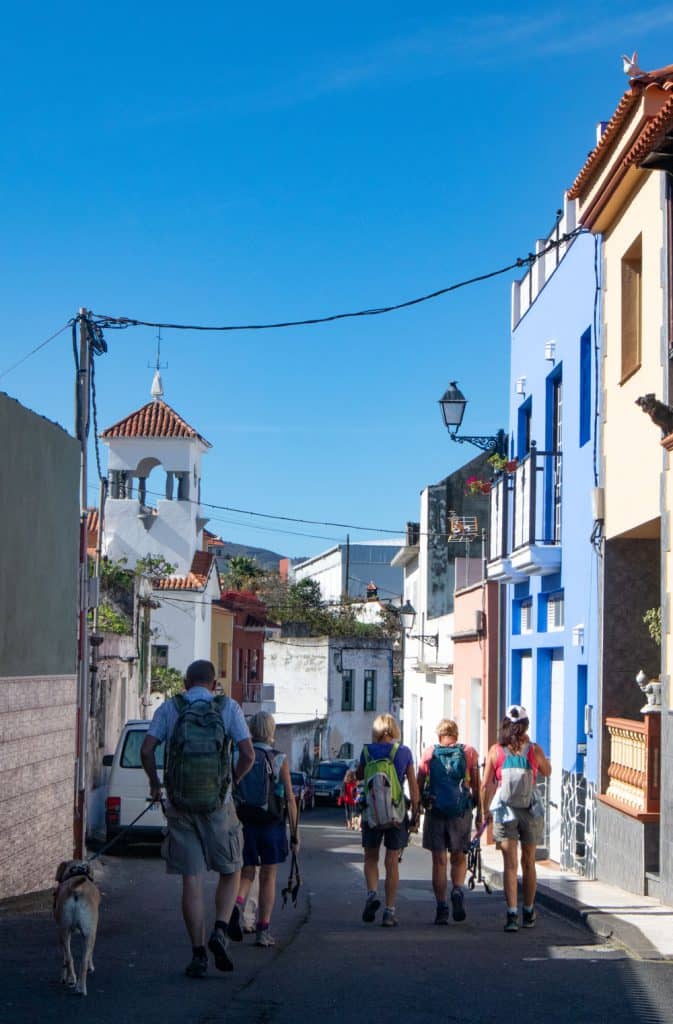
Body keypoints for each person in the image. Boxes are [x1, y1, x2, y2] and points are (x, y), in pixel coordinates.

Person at [140, 659, 255, 978]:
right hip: (218, 805)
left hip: (180, 804)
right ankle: (220, 929)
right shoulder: (227, 707)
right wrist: (232, 779)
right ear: (214, 683)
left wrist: (155, 784)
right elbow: (249, 754)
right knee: (231, 869)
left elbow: (147, 750)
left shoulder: (170, 708)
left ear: (186, 683)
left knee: (191, 879)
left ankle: (198, 953)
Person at [230, 711, 299, 948]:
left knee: (247, 872)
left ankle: (237, 905)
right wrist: (295, 834)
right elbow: (290, 798)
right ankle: (263, 931)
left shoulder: (239, 755)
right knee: (268, 876)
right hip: (271, 824)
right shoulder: (279, 758)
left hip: (244, 822)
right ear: (271, 731)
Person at [481, 704, 551, 932]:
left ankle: (512, 915)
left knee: (509, 865)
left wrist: (484, 813)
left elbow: (485, 785)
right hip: (530, 809)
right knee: (529, 863)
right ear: (526, 726)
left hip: (505, 811)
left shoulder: (495, 751)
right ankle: (528, 911)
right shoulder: (534, 749)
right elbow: (548, 771)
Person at [357, 713, 419, 928]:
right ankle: (389, 911)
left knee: (370, 857)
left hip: (372, 813)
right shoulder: (403, 752)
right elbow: (413, 785)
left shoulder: (366, 752)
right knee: (392, 862)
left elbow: (359, 776)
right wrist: (416, 814)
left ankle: (372, 894)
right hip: (396, 813)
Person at [416, 718, 481, 925]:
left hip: (435, 812)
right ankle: (457, 891)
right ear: (456, 734)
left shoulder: (429, 753)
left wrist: (415, 813)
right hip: (460, 813)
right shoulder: (469, 752)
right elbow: (477, 785)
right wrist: (479, 811)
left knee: (439, 861)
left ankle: (442, 907)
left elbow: (418, 784)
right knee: (459, 856)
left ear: (439, 735)